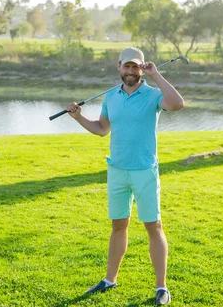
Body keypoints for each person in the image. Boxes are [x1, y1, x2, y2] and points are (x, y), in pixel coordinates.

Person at [66, 47, 184, 306]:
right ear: (119, 66)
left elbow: (177, 105)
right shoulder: (110, 96)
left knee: (153, 227)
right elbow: (101, 129)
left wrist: (157, 75)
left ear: (142, 68)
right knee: (118, 226)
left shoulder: (153, 95)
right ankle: (109, 280)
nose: (131, 71)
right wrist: (78, 117)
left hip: (144, 170)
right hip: (117, 170)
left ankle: (161, 287)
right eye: (126, 66)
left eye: (136, 67)